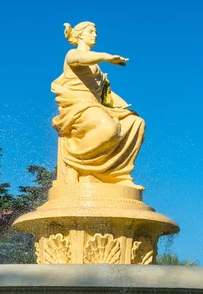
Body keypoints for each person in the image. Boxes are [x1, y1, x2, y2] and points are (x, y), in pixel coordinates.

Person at [51, 21, 145, 189]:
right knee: (108, 129)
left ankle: (117, 174)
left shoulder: (97, 68)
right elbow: (80, 59)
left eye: (95, 32)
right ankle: (76, 163)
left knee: (136, 123)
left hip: (95, 106)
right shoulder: (72, 54)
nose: (95, 35)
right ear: (80, 34)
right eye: (91, 31)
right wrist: (107, 57)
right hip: (79, 106)